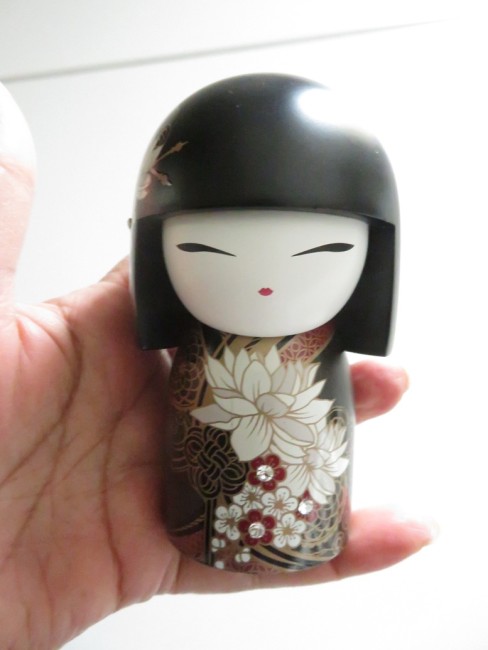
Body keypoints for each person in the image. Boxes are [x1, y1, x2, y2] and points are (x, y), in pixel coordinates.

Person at [0, 83, 435, 650]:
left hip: (307, 499)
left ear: (376, 248)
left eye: (324, 251)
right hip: (195, 505)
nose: (266, 282)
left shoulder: (321, 349)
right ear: (156, 247)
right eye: (203, 250)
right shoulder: (196, 352)